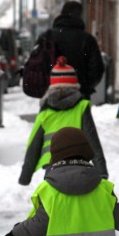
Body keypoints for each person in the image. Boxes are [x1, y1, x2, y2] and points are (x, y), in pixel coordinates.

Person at [19, 56, 108, 186]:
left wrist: (25, 176)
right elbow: (92, 139)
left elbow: (34, 145)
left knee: (53, 198)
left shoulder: (45, 111)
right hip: (78, 163)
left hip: (51, 164)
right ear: (74, 85)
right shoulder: (81, 107)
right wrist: (102, 171)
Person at [45, 0, 104, 99]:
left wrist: (49, 86)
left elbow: (39, 65)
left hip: (51, 97)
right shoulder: (87, 40)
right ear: (79, 16)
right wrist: (85, 87)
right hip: (80, 97)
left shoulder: (47, 37)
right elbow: (97, 69)